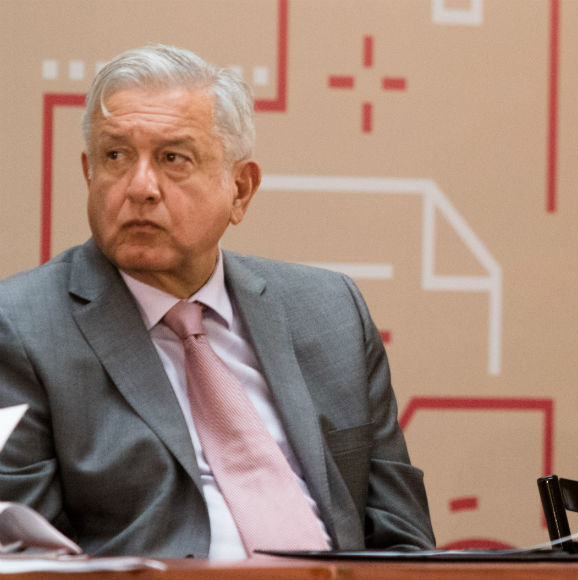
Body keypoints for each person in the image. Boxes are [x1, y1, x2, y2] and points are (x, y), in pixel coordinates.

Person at [0, 45, 434, 558]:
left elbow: (404, 541)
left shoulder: (330, 311)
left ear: (240, 190)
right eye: (115, 156)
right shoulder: (22, 327)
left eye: (173, 158)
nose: (140, 187)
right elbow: (26, 556)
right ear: (88, 173)